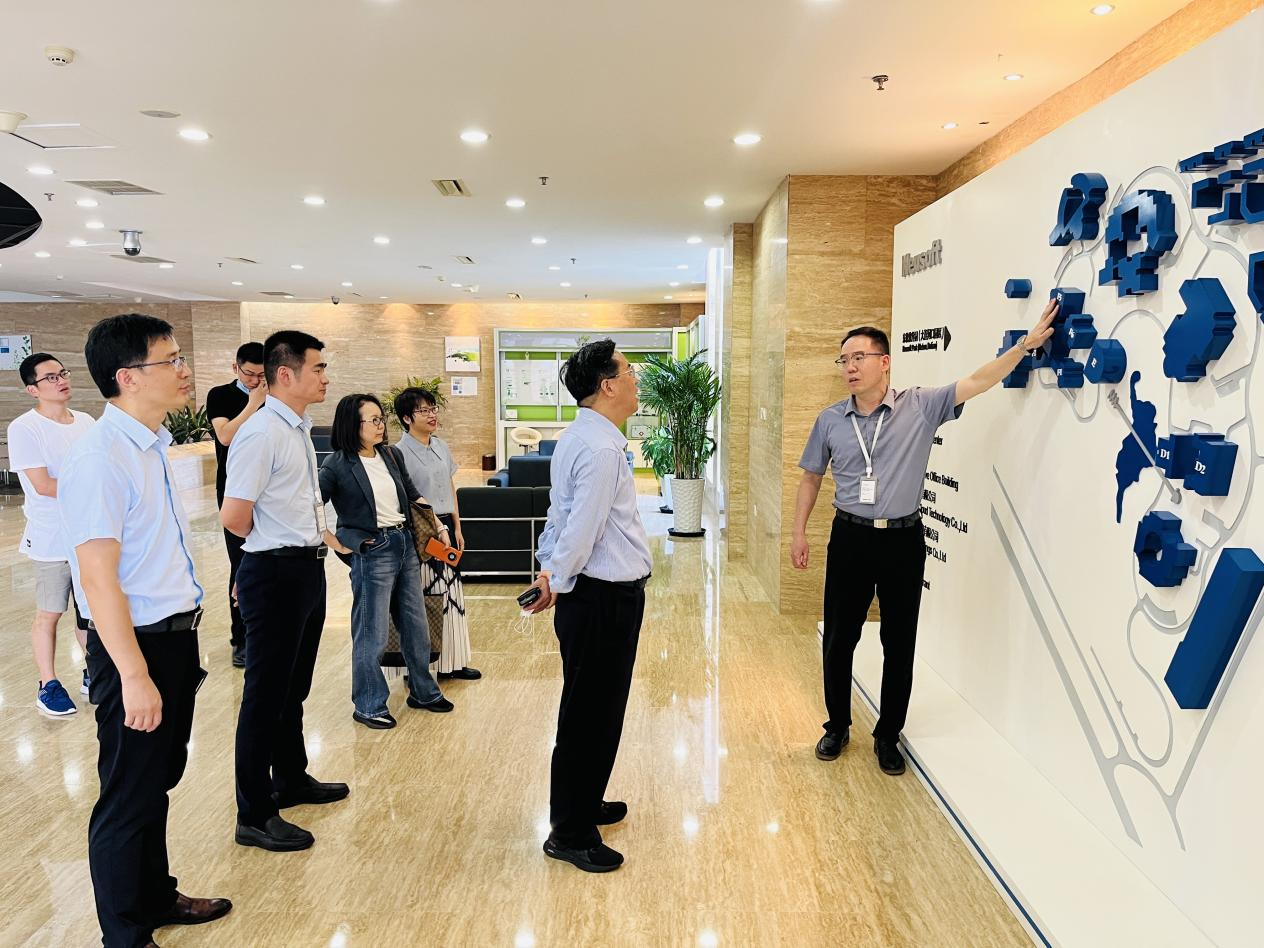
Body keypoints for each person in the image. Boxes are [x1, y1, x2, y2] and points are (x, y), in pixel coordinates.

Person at [791, 302, 1057, 776]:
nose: (849, 367)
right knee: (839, 638)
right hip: (849, 538)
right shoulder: (830, 420)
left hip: (902, 541)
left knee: (899, 642)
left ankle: (888, 735)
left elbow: (977, 381)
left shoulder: (920, 405)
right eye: (843, 360)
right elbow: (811, 477)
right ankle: (837, 726)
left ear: (884, 362)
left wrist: (1023, 346)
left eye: (858, 357)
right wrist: (799, 533)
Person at [60, 314, 231, 947]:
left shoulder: (151, 445)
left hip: (173, 637)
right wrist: (133, 675)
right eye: (171, 360)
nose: (185, 370)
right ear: (128, 376)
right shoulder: (99, 458)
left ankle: (155, 895)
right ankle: (124, 936)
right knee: (127, 795)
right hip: (134, 646)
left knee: (156, 780)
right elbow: (97, 579)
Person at [522, 339, 653, 874]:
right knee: (590, 715)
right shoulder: (600, 449)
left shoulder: (580, 436)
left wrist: (550, 570)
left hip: (593, 595)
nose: (636, 379)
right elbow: (582, 528)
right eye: (629, 371)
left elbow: (562, 516)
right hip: (601, 598)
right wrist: (556, 574)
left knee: (595, 710)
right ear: (608, 385)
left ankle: (585, 801)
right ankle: (570, 833)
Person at [221, 330, 348, 853]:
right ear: (285, 374)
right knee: (264, 696)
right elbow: (234, 517)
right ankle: (253, 812)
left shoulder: (296, 427)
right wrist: (264, 556)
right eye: (318, 368)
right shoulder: (261, 433)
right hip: (275, 572)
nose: (325, 377)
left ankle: (290, 777)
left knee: (293, 687)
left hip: (304, 570)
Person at [319, 393, 452, 728]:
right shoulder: (337, 464)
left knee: (416, 626)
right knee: (372, 632)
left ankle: (423, 691)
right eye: (374, 420)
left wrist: (438, 526)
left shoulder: (390, 455)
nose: (381, 425)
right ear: (353, 424)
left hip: (404, 543)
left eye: (381, 418)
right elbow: (312, 505)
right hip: (373, 550)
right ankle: (368, 704)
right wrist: (336, 542)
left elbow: (412, 495)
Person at [9, 352, 95, 716]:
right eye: (51, 377)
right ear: (33, 389)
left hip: (89, 533)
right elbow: (44, 485)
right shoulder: (24, 428)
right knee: (51, 611)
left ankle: (94, 672)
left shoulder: (87, 421)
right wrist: (95, 489)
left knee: (90, 612)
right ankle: (48, 684)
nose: (61, 380)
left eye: (63, 373)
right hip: (52, 538)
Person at [392, 386, 479, 681]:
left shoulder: (440, 445)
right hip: (422, 531)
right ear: (406, 418)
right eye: (423, 410)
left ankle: (453, 661)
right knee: (428, 595)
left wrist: (457, 526)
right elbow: (406, 499)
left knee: (452, 593)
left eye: (433, 409)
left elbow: (449, 487)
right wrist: (435, 528)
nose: (431, 415)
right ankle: (423, 666)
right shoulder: (398, 453)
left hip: (447, 528)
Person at [205, 341, 267, 668]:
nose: (256, 381)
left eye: (262, 375)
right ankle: (241, 637)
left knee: (269, 559)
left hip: (267, 490)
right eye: (249, 374)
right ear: (236, 368)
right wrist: (253, 404)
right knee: (241, 562)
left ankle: (265, 630)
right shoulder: (221, 395)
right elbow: (225, 436)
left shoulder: (274, 396)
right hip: (234, 490)